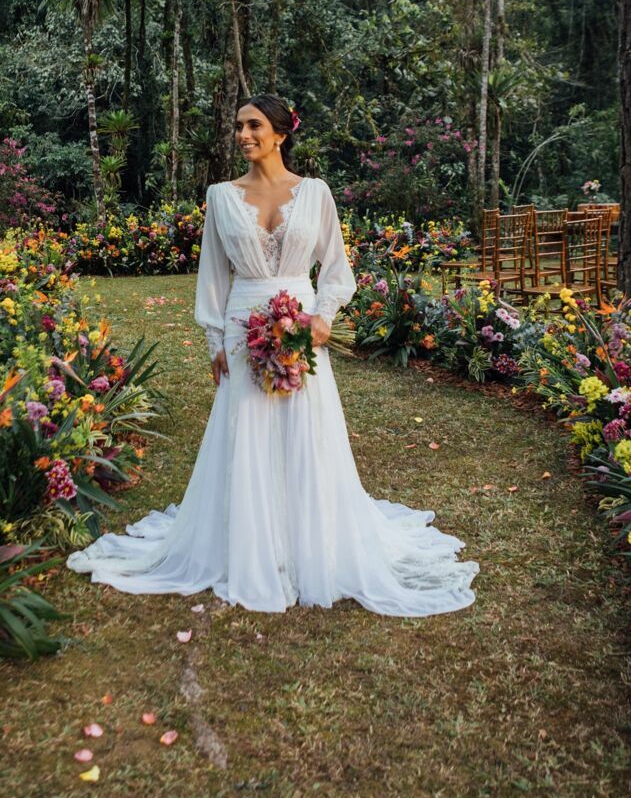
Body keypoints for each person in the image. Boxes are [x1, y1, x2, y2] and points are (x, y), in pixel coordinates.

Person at [66, 94, 480, 615]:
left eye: (253, 125)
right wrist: (215, 340)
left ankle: (311, 544)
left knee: (306, 431)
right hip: (243, 327)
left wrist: (323, 316)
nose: (243, 134)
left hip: (302, 326)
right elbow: (213, 275)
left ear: (281, 133)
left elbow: (335, 266)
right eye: (238, 126)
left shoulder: (316, 194)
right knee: (248, 429)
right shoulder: (219, 196)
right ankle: (248, 545)